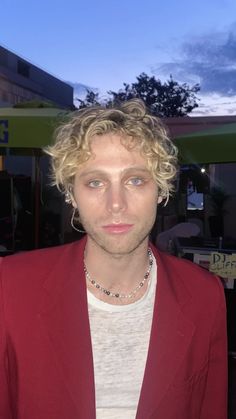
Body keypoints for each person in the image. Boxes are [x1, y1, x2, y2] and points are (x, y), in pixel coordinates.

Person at [0, 100, 227, 419]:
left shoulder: (205, 294)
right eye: (95, 182)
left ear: (160, 190)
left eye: (135, 180)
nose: (116, 204)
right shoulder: (10, 288)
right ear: (71, 194)